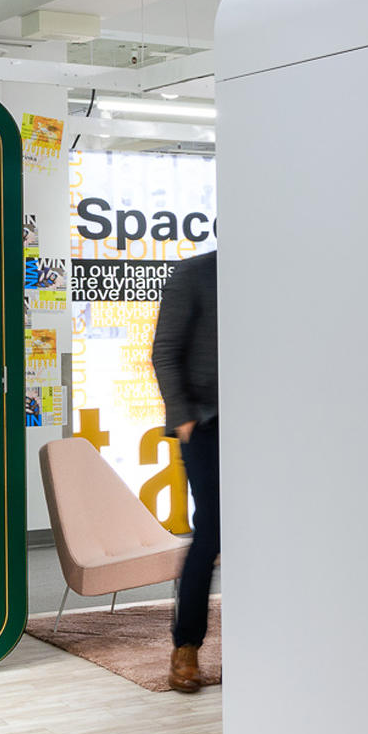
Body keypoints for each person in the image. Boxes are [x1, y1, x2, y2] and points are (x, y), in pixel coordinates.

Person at [150, 246, 220, 692]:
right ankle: (186, 646)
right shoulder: (194, 273)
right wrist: (184, 417)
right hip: (206, 424)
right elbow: (165, 351)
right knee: (212, 532)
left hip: (268, 427)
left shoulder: (275, 274)